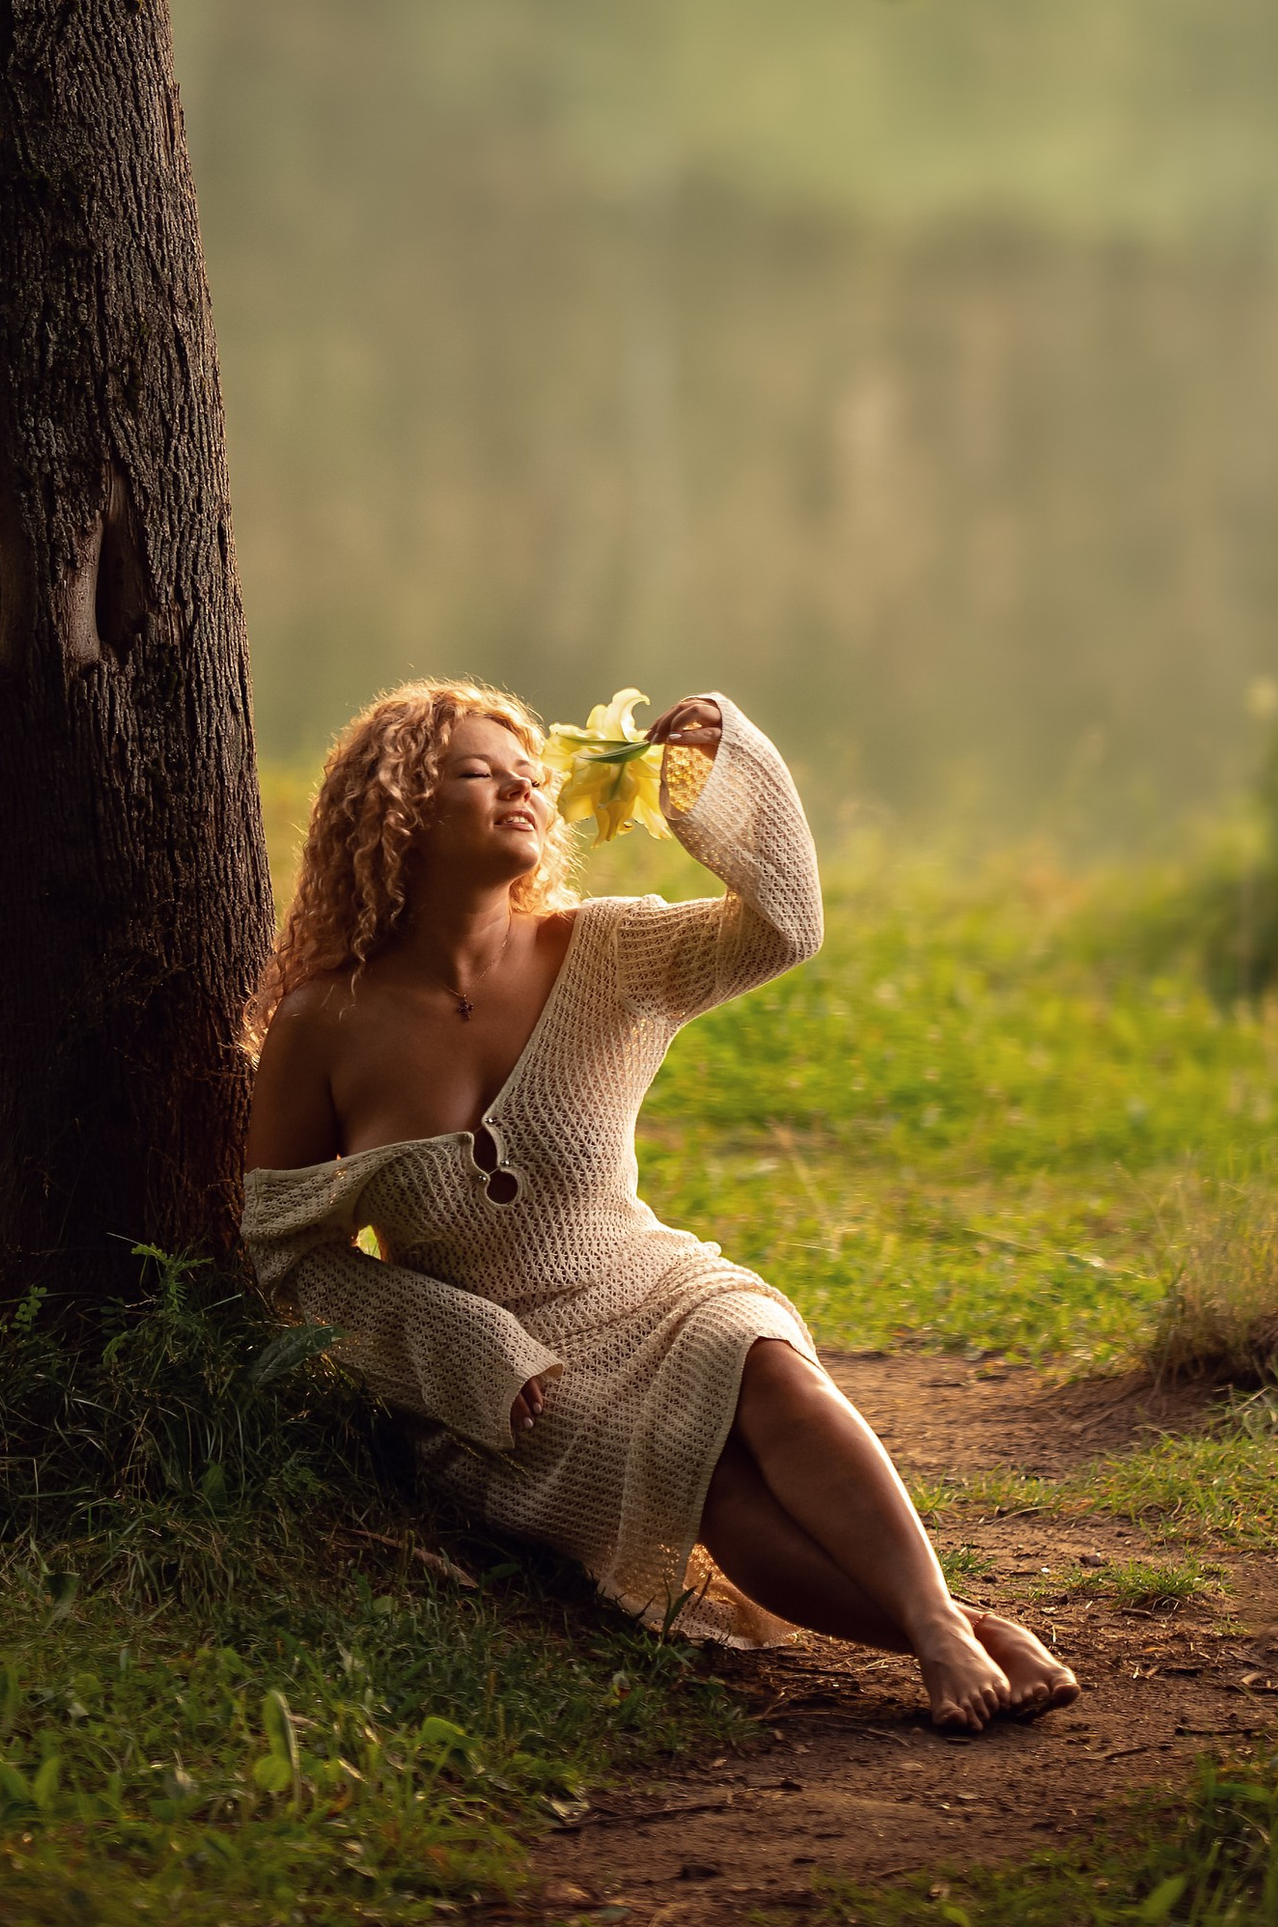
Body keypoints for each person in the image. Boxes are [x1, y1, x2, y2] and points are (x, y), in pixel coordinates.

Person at [242, 679, 1077, 1733]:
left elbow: (785, 927)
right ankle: (953, 1632)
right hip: (506, 1372)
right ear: (399, 806)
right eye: (475, 771)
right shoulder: (325, 1023)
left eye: (526, 775)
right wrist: (463, 1346)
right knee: (708, 1486)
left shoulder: (607, 952)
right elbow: (286, 1254)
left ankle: (941, 1629)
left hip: (646, 1281)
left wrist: (728, 780)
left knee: (761, 1360)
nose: (518, 790)